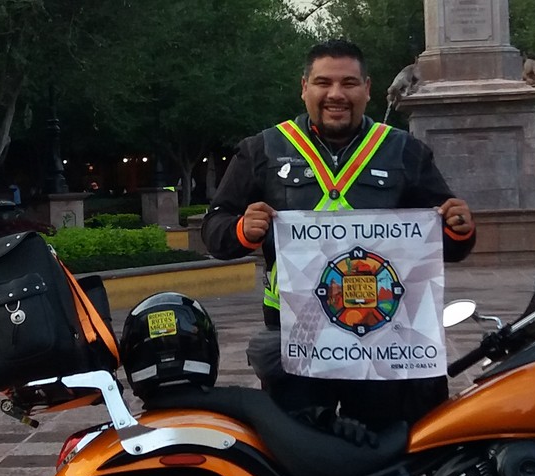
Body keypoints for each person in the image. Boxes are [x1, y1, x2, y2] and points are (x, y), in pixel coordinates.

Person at [200, 38, 476, 432]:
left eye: (348, 83)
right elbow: (214, 228)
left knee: (387, 453)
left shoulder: (403, 152)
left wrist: (460, 229)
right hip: (297, 340)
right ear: (304, 87)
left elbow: (445, 240)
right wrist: (242, 230)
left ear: (366, 88)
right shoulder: (264, 150)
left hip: (385, 339)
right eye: (323, 82)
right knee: (302, 456)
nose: (335, 94)